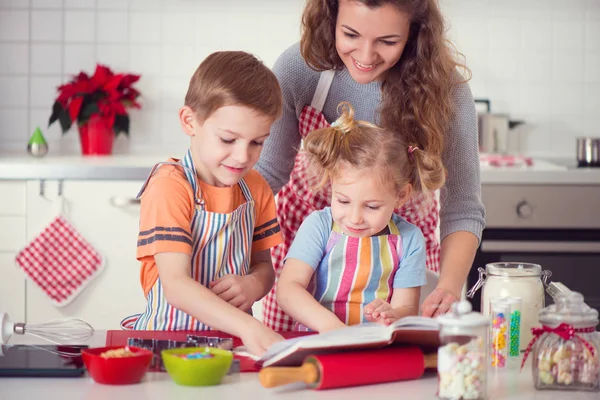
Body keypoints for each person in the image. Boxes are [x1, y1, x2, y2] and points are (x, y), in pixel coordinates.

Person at [255, 0, 486, 329]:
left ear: (415, 34)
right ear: (332, 17)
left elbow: (462, 206)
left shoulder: (444, 90)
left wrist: (448, 287)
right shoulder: (301, 68)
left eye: (388, 42)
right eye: (351, 34)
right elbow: (266, 177)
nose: (365, 56)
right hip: (309, 256)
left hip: (401, 267)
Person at [122, 51, 285, 356]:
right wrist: (250, 326)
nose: (242, 156)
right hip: (169, 347)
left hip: (232, 347)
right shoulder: (170, 187)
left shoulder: (256, 188)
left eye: (257, 143)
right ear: (190, 121)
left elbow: (263, 266)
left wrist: (254, 285)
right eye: (227, 139)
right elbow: (176, 286)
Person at [277, 102, 446, 332]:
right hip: (320, 340)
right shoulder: (320, 226)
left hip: (376, 347)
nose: (355, 218)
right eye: (343, 201)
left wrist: (391, 315)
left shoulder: (409, 239)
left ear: (401, 195)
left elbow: (405, 309)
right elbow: (288, 290)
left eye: (372, 207)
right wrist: (334, 329)